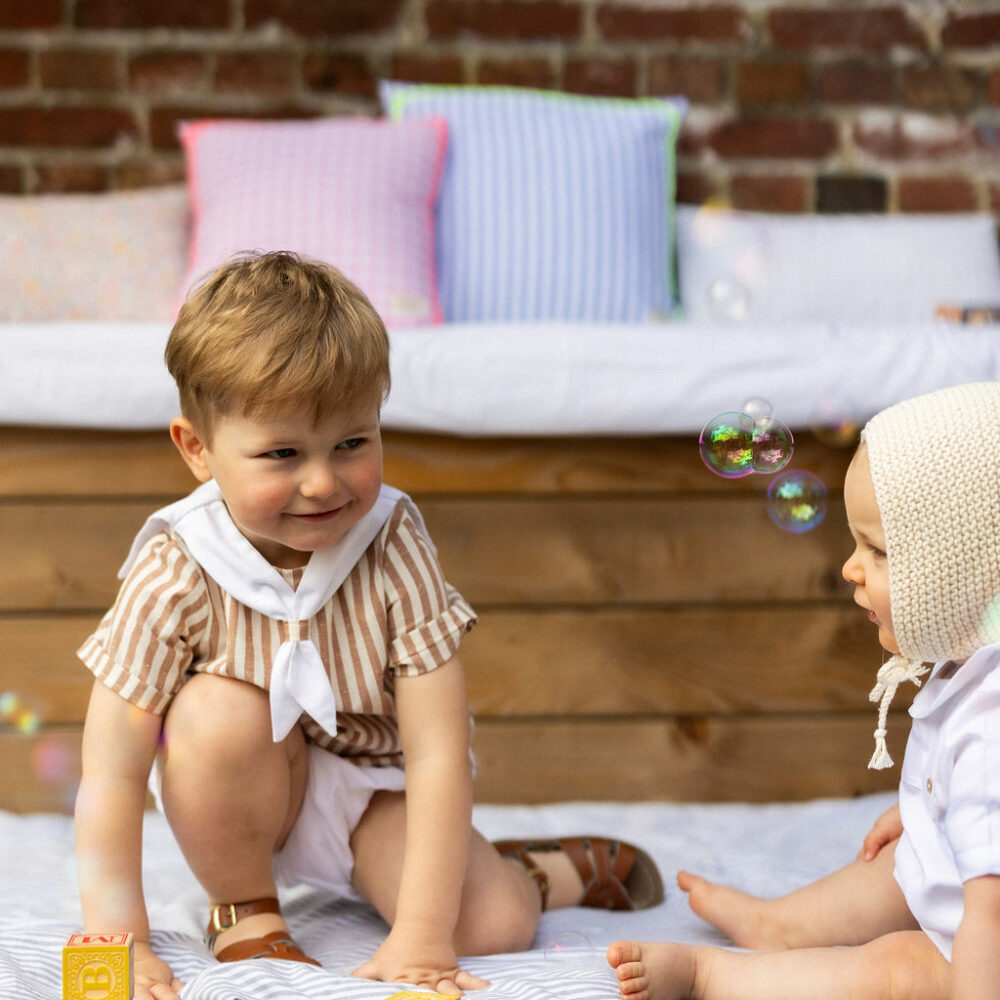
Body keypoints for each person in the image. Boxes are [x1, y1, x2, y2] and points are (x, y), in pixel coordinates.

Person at [74, 251, 663, 1000]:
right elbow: (113, 770)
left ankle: (538, 870)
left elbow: (440, 751)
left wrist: (423, 937)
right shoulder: (175, 567)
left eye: (352, 443)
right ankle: (246, 907)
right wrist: (120, 936)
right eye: (281, 454)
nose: (322, 482)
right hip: (243, 779)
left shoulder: (393, 545)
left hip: (371, 788)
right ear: (197, 449)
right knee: (215, 708)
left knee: (487, 925)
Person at [607, 381, 1000, 1000]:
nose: (849, 566)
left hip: (992, 937)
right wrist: (932, 811)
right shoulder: (973, 663)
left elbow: (990, 916)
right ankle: (779, 925)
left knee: (899, 963)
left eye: (876, 549)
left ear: (964, 572)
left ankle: (717, 976)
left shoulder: (991, 726)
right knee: (896, 866)